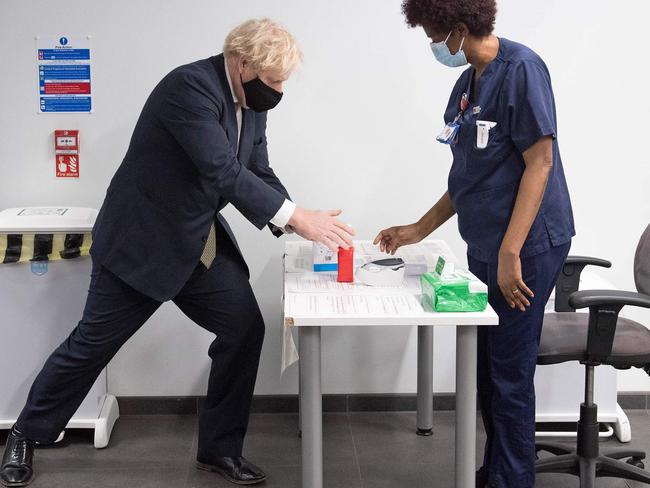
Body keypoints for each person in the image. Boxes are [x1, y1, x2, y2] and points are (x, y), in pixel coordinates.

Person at [0, 18, 354, 487]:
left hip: (196, 243)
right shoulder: (188, 88)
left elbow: (256, 168)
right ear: (241, 62)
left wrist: (297, 217)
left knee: (244, 330)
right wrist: (295, 217)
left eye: (283, 80)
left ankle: (219, 451)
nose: (279, 90)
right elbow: (221, 170)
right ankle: (27, 432)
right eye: (273, 80)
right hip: (140, 245)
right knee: (90, 346)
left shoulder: (252, 101)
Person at [374, 1, 575, 487]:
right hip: (487, 244)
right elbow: (469, 176)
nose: (433, 46)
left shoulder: (522, 69)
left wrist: (510, 254)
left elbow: (540, 163)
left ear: (460, 29)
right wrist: (419, 228)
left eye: (434, 35)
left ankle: (511, 480)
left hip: (526, 246)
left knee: (508, 371)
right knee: (487, 367)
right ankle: (497, 470)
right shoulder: (468, 85)